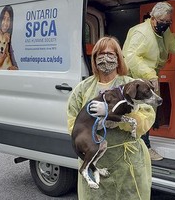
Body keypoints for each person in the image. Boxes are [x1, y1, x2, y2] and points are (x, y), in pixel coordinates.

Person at [67, 36, 156, 200]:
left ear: (118, 57)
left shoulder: (132, 85)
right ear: (94, 58)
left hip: (127, 161)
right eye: (100, 54)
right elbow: (73, 124)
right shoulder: (83, 89)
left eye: (110, 53)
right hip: (95, 159)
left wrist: (114, 116)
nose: (105, 58)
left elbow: (147, 117)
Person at [123, 2, 175, 161]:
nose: (165, 25)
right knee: (141, 113)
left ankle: (140, 146)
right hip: (136, 80)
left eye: (168, 22)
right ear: (152, 17)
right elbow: (131, 57)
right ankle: (144, 148)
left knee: (150, 112)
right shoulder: (141, 33)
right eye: (162, 22)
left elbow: (174, 46)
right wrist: (150, 75)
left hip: (150, 77)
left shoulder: (163, 32)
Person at [0, 5, 18, 70]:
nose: (5, 23)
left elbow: (13, 60)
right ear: (0, 19)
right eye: (3, 18)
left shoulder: (8, 36)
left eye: (8, 20)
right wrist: (3, 57)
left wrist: (15, 68)